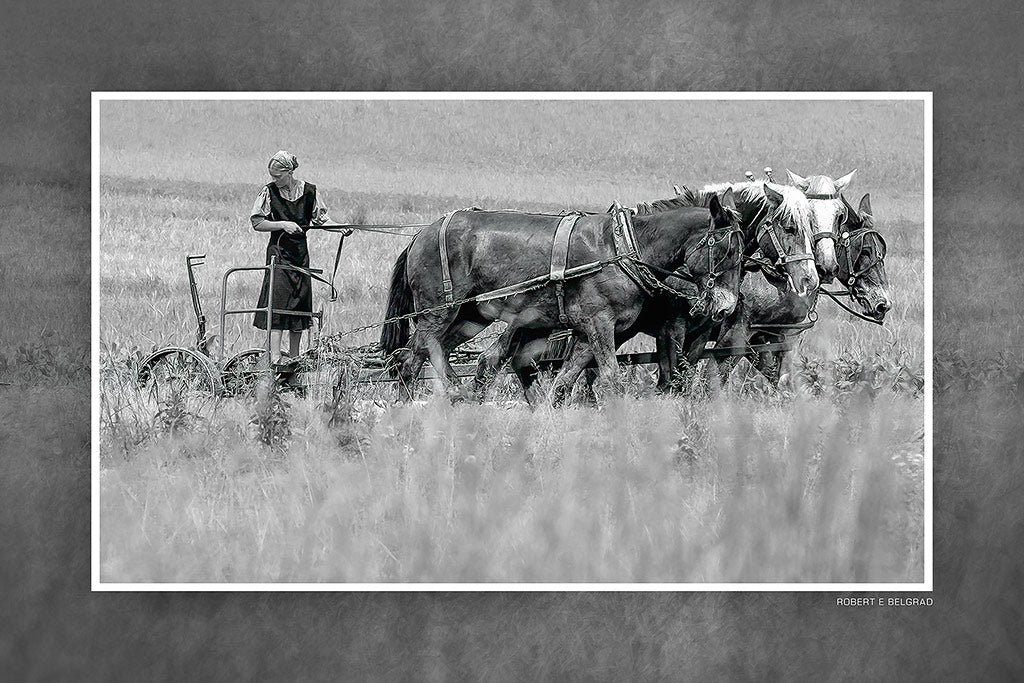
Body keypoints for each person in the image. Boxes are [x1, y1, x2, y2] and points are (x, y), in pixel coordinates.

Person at [250, 150, 350, 363]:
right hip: (278, 254)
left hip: (300, 255)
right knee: (276, 303)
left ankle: (294, 356)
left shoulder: (310, 191)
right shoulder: (268, 192)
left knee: (299, 303)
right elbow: (257, 222)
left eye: (278, 176)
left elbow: (321, 220)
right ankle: (275, 357)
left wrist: (340, 228)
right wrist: (283, 225)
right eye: (272, 176)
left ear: (289, 172)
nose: (274, 180)